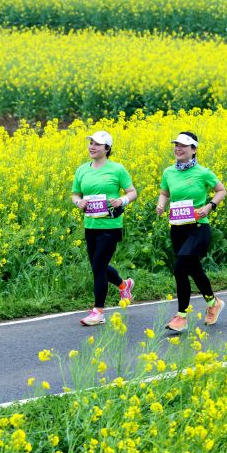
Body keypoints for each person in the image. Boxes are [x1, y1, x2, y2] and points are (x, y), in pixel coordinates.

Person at [155, 131, 227, 332]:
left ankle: (181, 316)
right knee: (194, 269)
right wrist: (161, 206)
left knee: (180, 269)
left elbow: (222, 190)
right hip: (177, 228)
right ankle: (213, 304)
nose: (178, 149)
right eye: (176, 145)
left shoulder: (203, 172)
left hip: (198, 228)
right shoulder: (169, 172)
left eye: (183, 146)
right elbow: (165, 193)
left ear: (193, 149)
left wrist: (210, 206)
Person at [71, 130, 138, 326]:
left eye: (97, 144)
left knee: (98, 267)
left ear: (107, 148)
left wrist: (122, 200)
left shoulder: (117, 169)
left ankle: (98, 311)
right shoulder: (82, 170)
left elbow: (132, 192)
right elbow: (75, 194)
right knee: (97, 265)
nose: (92, 146)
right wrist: (78, 203)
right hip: (90, 224)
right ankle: (124, 285)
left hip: (110, 225)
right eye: (90, 142)